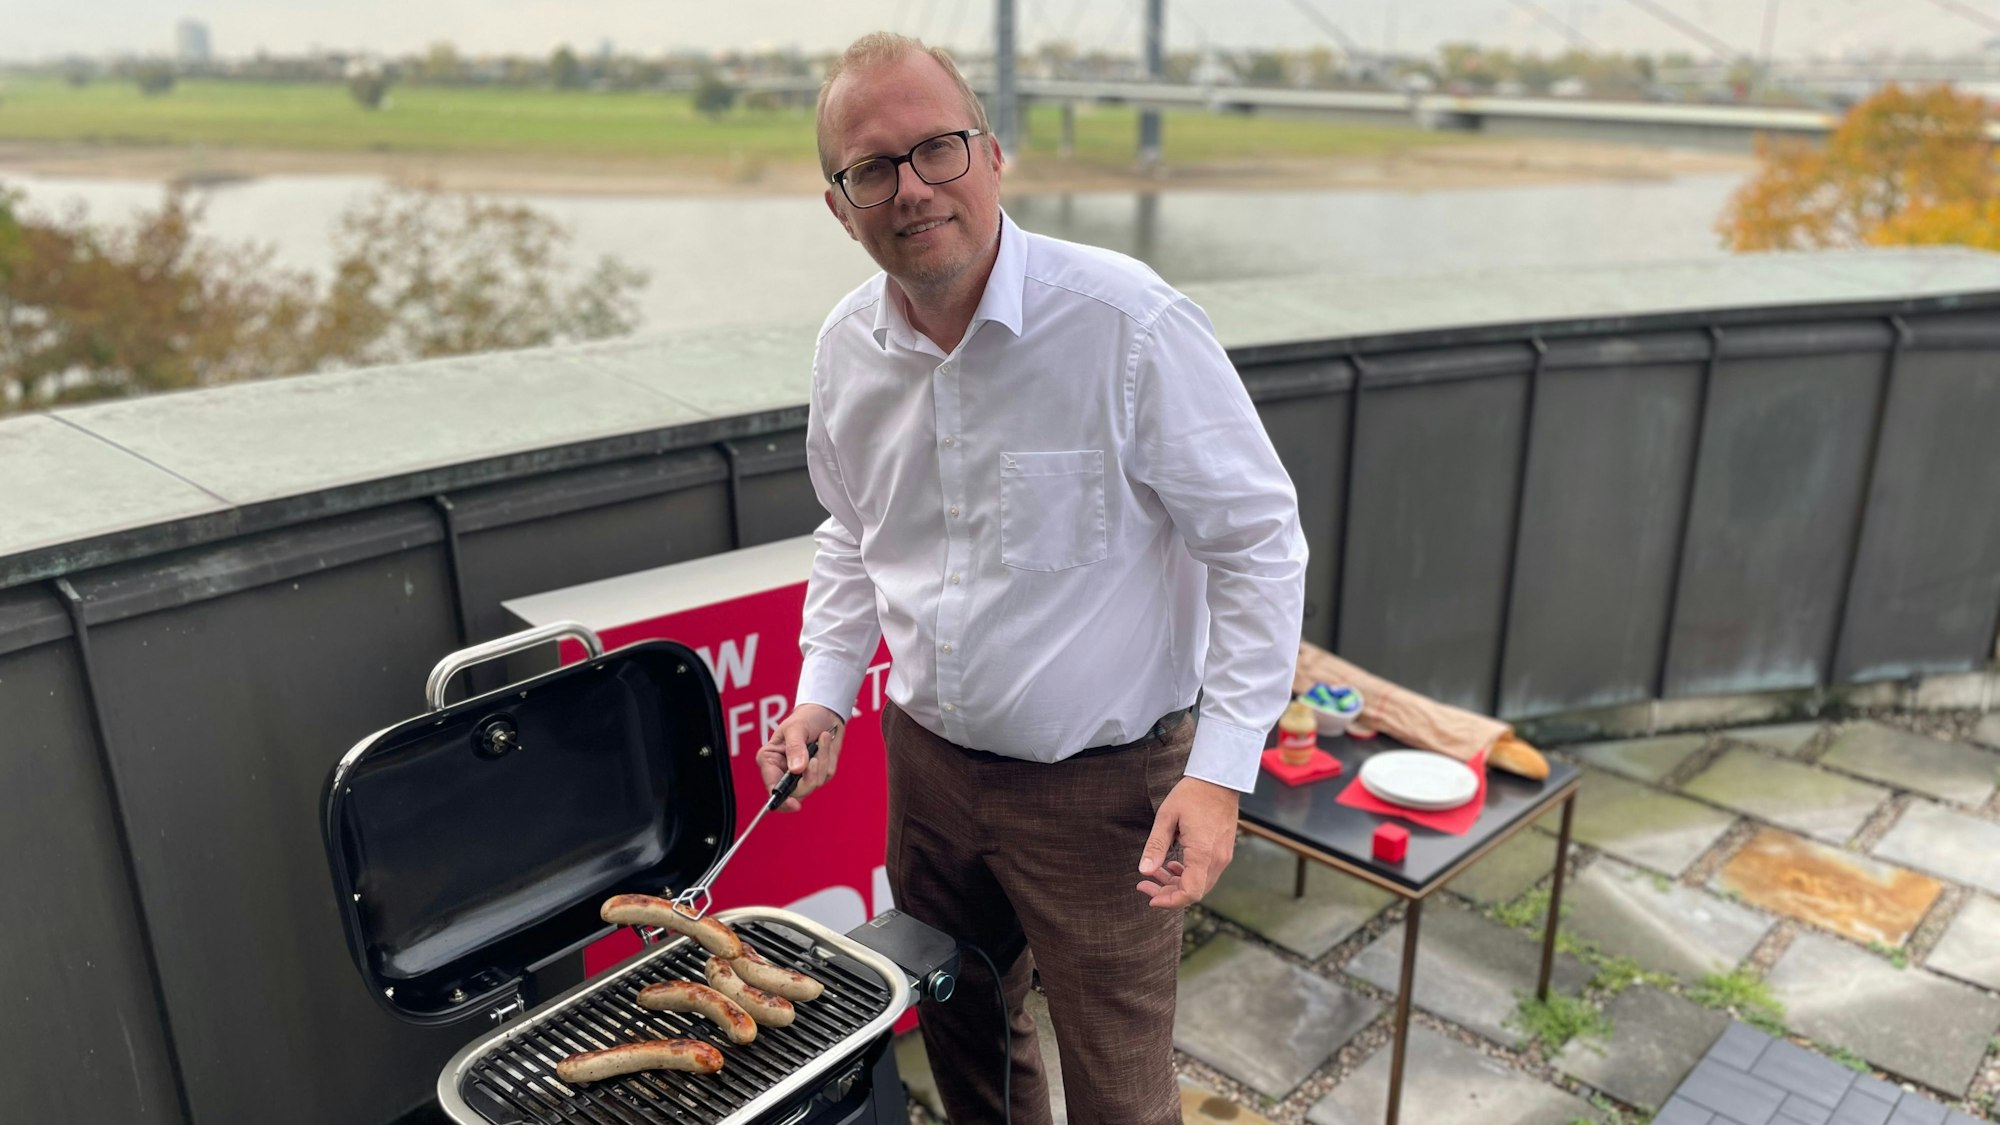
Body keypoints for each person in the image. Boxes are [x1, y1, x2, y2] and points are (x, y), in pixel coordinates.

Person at [756, 31, 1307, 1125]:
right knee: (965, 1041)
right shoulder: (845, 350)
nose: (910, 189)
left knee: (1117, 1081)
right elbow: (851, 528)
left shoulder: (1127, 324)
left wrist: (1221, 770)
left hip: (1102, 795)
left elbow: (1255, 542)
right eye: (871, 169)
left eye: (936, 150)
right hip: (925, 772)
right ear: (838, 205)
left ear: (992, 153)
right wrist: (823, 688)